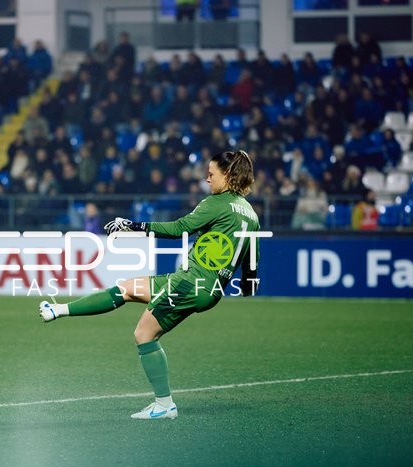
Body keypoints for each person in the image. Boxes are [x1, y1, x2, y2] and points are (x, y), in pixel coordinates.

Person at [38, 151, 262, 420]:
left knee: (144, 334)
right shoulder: (252, 216)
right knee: (126, 288)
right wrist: (245, 284)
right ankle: (58, 310)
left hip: (190, 282)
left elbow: (180, 228)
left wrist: (134, 226)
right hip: (204, 287)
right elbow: (251, 266)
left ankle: (164, 404)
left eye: (211, 174)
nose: (207, 179)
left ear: (227, 175)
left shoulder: (217, 203)